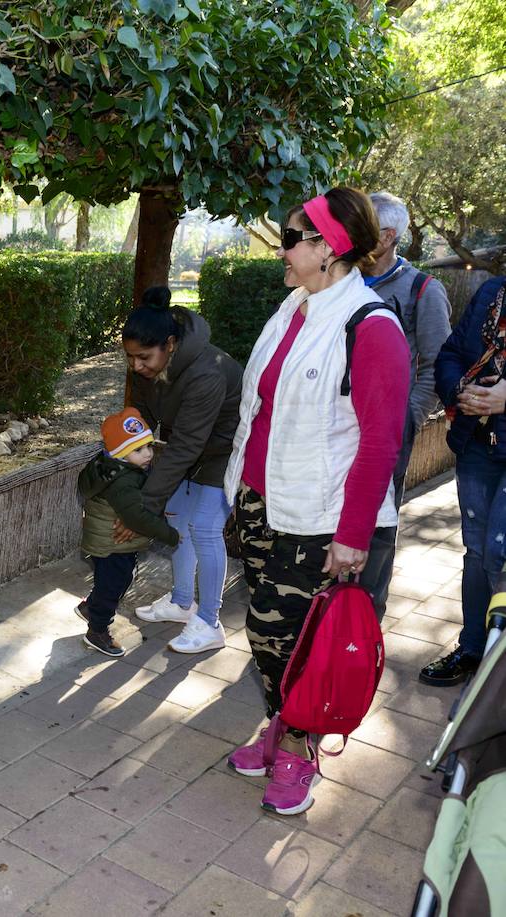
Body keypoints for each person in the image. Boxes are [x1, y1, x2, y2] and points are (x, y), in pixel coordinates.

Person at [223, 188, 409, 816]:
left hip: (318, 518)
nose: (283, 247)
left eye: (293, 238)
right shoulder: (295, 306)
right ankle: (281, 723)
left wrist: (353, 535)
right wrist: (239, 489)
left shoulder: (370, 326)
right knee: (265, 632)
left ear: (329, 249)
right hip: (261, 500)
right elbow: (261, 408)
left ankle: (300, 749)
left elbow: (382, 441)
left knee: (300, 639)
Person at [122, 286, 243, 655]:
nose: (136, 366)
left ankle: (209, 622)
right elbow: (142, 422)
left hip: (226, 448)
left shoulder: (207, 372)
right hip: (188, 445)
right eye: (130, 358)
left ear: (170, 344)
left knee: (204, 528)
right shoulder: (147, 368)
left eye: (143, 357)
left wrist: (140, 509)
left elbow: (187, 446)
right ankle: (181, 602)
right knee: (177, 523)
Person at [355, 192, 455, 617]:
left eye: (364, 228)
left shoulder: (423, 291)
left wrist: (405, 419)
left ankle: (361, 626)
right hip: (336, 425)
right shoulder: (345, 280)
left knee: (377, 526)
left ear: (388, 236)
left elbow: (438, 364)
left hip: (388, 432)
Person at [422, 271, 506, 687]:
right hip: (477, 444)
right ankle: (474, 648)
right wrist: (462, 390)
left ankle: (497, 660)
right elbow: (452, 351)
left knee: (497, 553)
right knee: (476, 553)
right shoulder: (493, 291)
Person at [76, 408, 181, 657]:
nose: (147, 454)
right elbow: (137, 517)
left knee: (113, 579)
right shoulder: (123, 482)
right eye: (138, 450)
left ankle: (91, 607)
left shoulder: (115, 467)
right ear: (121, 454)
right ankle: (97, 630)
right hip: (111, 544)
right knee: (113, 584)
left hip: (109, 542)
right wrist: (170, 535)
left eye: (149, 447)